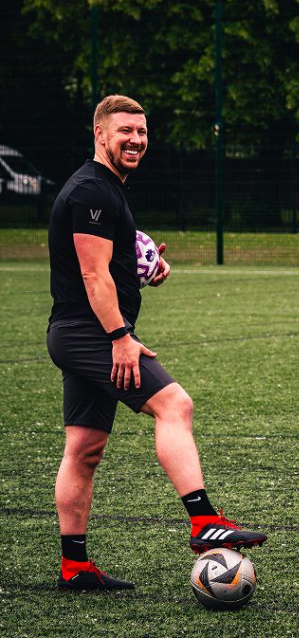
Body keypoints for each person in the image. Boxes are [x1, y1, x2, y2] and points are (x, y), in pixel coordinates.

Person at [47, 94, 267, 590]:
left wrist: (145, 269)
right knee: (175, 405)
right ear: (99, 133)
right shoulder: (92, 191)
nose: (136, 140)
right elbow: (92, 274)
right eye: (125, 131)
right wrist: (121, 337)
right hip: (91, 334)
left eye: (142, 132)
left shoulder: (106, 189)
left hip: (82, 332)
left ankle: (74, 567)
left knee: (84, 448)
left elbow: (108, 264)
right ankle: (203, 519)